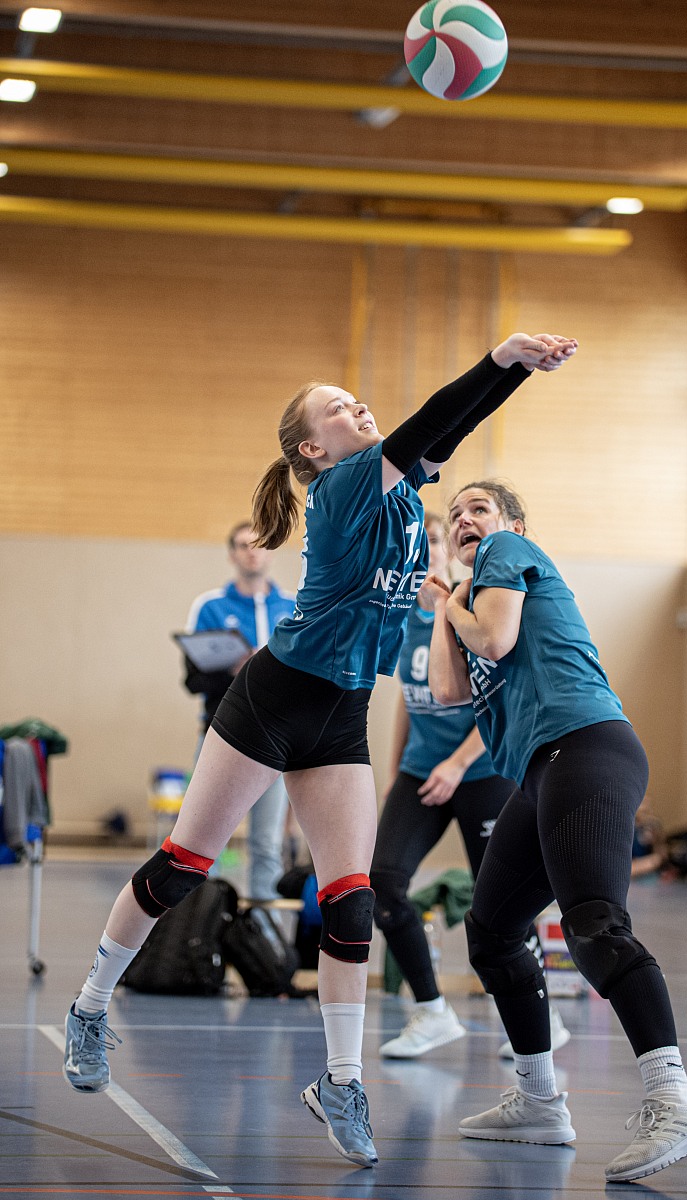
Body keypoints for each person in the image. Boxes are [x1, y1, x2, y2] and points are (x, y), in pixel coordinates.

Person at [61, 332, 578, 1169]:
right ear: (313, 449)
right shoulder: (344, 484)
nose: (356, 407)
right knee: (184, 864)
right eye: (337, 408)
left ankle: (341, 1082)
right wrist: (503, 354)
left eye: (354, 399)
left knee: (350, 901)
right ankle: (90, 1006)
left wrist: (516, 372)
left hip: (343, 712)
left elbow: (447, 431)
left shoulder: (401, 490)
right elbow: (431, 421)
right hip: (274, 700)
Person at [421, 479, 687, 1184]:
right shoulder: (469, 595)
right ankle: (537, 1103)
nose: (465, 519)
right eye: (457, 513)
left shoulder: (506, 553)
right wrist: (445, 609)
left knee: (594, 924)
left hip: (586, 744)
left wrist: (453, 607)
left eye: (479, 508)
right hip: (540, 769)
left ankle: (674, 1099)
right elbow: (447, 691)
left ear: (513, 524)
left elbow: (495, 640)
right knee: (492, 932)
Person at [372, 511, 569, 1059]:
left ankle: (542, 1017)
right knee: (383, 885)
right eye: (412, 544)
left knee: (502, 905)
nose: (422, 552)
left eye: (432, 541)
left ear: (445, 550)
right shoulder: (399, 616)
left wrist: (457, 764)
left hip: (481, 774)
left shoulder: (469, 607)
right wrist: (397, 772)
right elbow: (409, 702)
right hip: (421, 772)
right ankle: (432, 1012)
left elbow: (496, 698)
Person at [183, 521, 296, 900]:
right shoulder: (210, 606)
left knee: (266, 845)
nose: (252, 552)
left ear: (270, 551)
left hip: (276, 742)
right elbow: (193, 680)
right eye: (243, 545)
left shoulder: (293, 607)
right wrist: (234, 669)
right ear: (232, 554)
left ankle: (262, 931)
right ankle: (198, 925)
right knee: (200, 845)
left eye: (259, 544)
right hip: (221, 736)